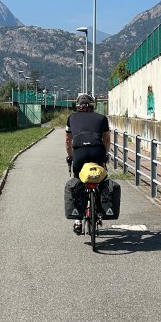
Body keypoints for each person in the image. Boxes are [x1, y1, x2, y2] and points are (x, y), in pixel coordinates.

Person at [65, 93, 111, 234]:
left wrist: (70, 156)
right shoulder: (102, 118)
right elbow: (107, 140)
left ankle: (77, 220)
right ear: (93, 106)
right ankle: (101, 209)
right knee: (101, 178)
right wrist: (105, 155)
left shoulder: (71, 118)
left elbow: (68, 140)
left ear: (78, 106)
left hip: (79, 153)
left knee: (78, 179)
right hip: (97, 152)